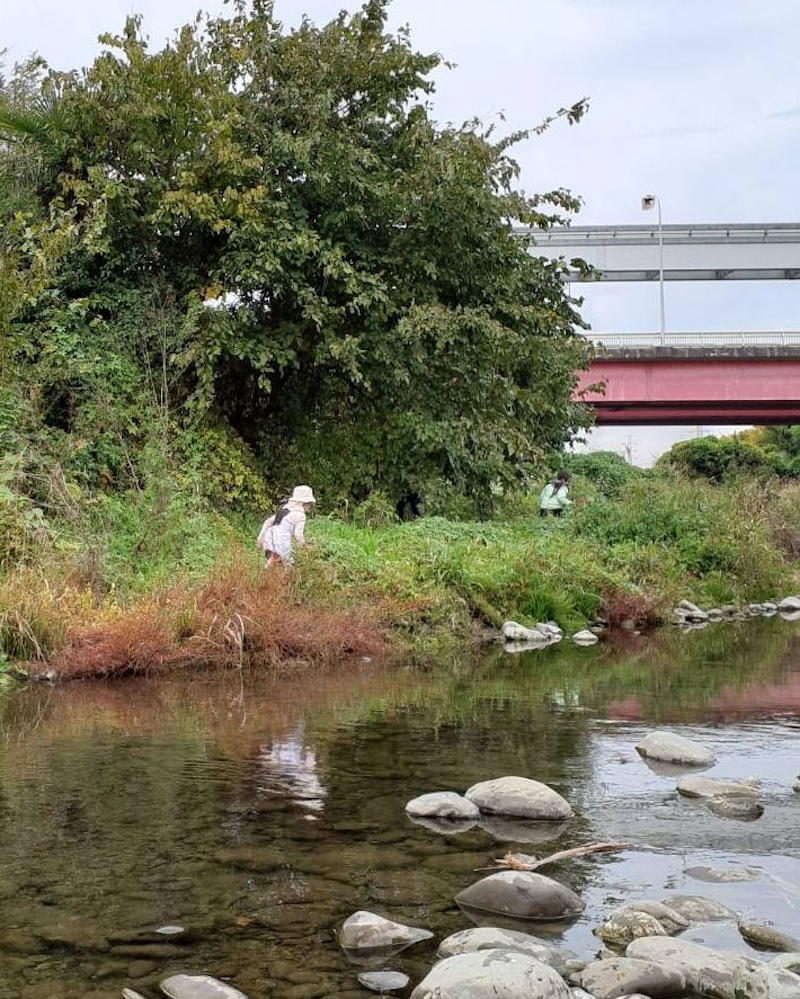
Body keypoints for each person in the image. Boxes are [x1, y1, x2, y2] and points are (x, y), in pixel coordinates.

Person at [257, 485, 316, 565]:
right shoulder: (300, 515)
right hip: (282, 543)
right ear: (303, 503)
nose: (309, 506)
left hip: (269, 540)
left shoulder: (285, 509)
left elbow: (268, 522)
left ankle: (267, 569)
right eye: (308, 503)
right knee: (287, 566)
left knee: (272, 563)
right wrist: (304, 547)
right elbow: (298, 535)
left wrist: (260, 538)